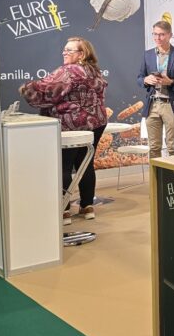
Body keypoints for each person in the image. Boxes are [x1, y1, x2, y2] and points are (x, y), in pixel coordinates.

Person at [20, 37, 108, 225]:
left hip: (71, 125)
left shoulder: (67, 71)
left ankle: (64, 210)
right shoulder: (94, 71)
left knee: (64, 166)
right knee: (86, 164)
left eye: (69, 50)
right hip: (96, 123)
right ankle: (87, 206)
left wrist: (26, 88)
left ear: (81, 54)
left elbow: (44, 92)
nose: (64, 52)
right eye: (64, 49)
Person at [138, 20, 174, 160]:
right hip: (152, 104)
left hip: (171, 105)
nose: (157, 38)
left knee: (173, 147)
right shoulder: (148, 54)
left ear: (170, 35)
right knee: (154, 147)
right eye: (155, 34)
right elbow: (139, 78)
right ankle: (156, 174)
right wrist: (146, 80)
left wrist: (171, 82)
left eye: (161, 34)